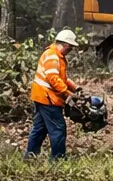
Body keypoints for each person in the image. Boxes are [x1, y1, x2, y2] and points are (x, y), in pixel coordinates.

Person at [28, 29, 82, 161]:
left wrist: (76, 88)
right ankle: (58, 159)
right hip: (48, 98)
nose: (71, 50)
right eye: (70, 47)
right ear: (64, 44)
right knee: (58, 128)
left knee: (40, 129)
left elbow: (62, 78)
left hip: (41, 96)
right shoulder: (52, 56)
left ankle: (30, 156)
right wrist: (67, 94)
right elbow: (53, 78)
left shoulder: (56, 56)